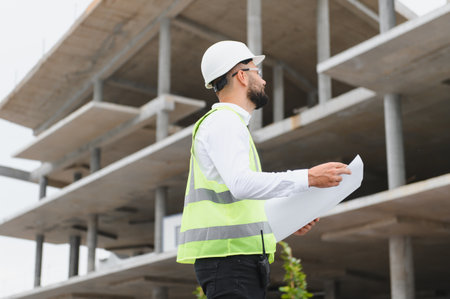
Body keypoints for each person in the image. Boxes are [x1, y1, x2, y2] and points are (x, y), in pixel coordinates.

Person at [176, 40, 351, 298]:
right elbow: (242, 184)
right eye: (257, 71)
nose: (263, 80)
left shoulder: (227, 124)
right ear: (242, 76)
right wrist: (309, 177)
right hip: (231, 262)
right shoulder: (224, 122)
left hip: (234, 260)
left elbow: (238, 201)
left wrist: (288, 219)